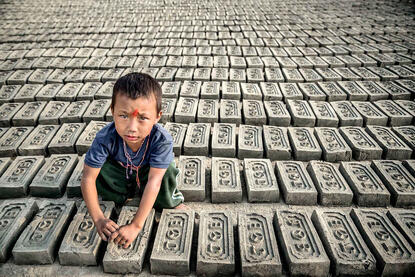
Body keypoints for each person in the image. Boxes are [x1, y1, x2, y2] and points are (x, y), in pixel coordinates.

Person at [81, 72, 187, 249]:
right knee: (98, 170)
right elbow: (87, 179)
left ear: (157, 117)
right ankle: (123, 196)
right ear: (112, 111)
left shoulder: (161, 140)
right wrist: (99, 219)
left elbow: (155, 181)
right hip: (122, 171)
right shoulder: (105, 138)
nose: (131, 128)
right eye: (123, 116)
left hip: (148, 173)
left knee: (166, 171)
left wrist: (135, 226)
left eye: (142, 118)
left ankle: (170, 201)